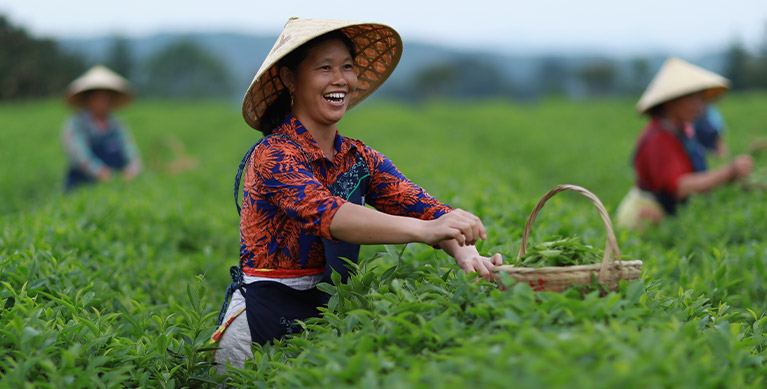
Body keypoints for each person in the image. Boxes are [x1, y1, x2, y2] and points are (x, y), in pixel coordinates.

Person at [212, 17, 503, 373]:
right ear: (290, 79)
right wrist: (424, 232)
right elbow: (330, 215)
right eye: (324, 68)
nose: (340, 79)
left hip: (326, 321)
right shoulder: (274, 155)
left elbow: (423, 208)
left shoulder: (359, 157)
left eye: (347, 67)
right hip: (257, 327)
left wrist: (467, 253)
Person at [616, 57, 753, 230]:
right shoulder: (658, 139)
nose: (698, 105)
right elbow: (681, 187)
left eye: (700, 98)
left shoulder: (681, 132)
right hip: (645, 220)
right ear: (670, 102)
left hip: (667, 217)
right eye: (690, 99)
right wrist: (728, 172)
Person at [61, 65, 141, 192]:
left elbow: (130, 151)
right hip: (82, 183)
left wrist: (131, 170)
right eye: (100, 98)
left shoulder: (117, 125)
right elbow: (79, 155)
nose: (104, 103)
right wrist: (100, 172)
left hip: (115, 184)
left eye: (107, 98)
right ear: (89, 99)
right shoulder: (76, 124)